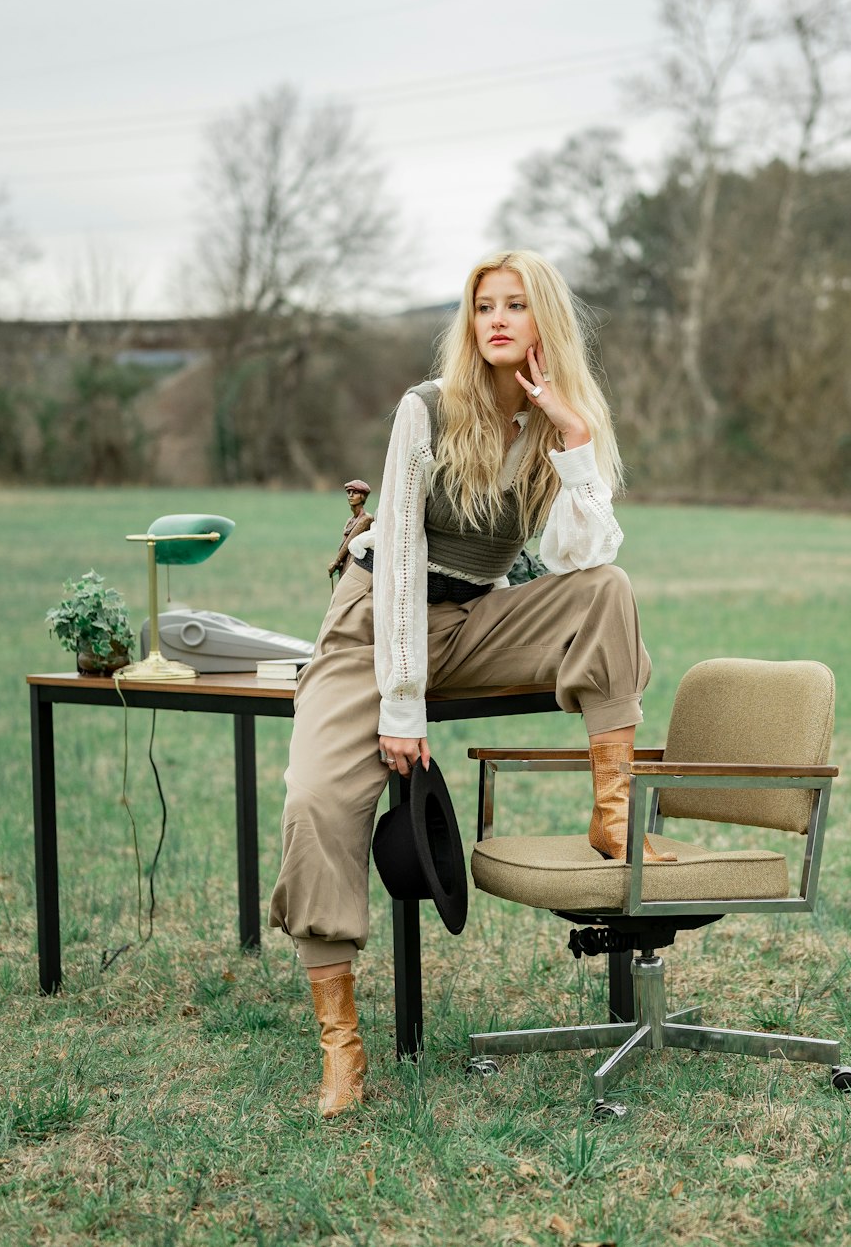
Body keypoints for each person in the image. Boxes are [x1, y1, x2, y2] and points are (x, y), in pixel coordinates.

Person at [269, 249, 669, 1120]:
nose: (495, 319)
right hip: (376, 618)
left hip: (475, 619)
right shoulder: (428, 410)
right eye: (483, 304)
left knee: (609, 594)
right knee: (316, 800)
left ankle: (612, 815)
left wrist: (571, 440)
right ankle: (341, 1046)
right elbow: (404, 557)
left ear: (543, 322)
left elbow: (580, 558)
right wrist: (401, 699)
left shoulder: (555, 418)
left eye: (515, 305)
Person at [327, 479, 373, 581]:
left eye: (355, 492)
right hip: (345, 563)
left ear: (362, 496)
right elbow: (343, 543)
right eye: (349, 492)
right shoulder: (350, 520)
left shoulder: (366, 519)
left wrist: (336, 561)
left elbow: (349, 542)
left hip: (356, 564)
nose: (350, 495)